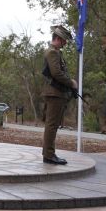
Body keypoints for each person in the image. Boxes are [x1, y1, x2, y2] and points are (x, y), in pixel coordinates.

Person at [41, 25, 78, 165]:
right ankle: (49, 155)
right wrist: (71, 83)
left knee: (52, 125)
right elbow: (56, 73)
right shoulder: (52, 53)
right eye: (64, 40)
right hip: (54, 93)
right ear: (57, 39)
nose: (65, 43)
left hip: (56, 93)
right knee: (52, 125)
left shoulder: (55, 52)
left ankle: (48, 154)